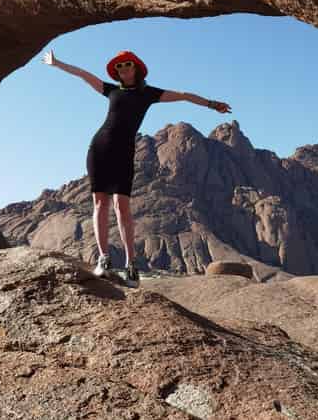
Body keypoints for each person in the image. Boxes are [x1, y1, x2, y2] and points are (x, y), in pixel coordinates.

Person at [41, 48, 232, 284]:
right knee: (100, 202)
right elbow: (83, 74)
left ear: (136, 68)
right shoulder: (110, 90)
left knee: (122, 205)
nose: (123, 69)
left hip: (124, 152)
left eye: (127, 64)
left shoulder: (148, 93)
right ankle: (104, 259)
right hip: (99, 148)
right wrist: (57, 63)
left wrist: (212, 104)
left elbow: (183, 95)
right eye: (119, 66)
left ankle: (131, 265)